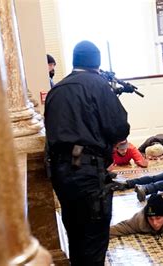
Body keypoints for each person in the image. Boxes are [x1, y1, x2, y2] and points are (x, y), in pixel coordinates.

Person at [44, 40, 130, 265]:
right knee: (94, 237)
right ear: (97, 62)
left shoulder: (57, 90)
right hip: (89, 171)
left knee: (75, 235)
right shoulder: (98, 85)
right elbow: (118, 127)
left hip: (61, 174)